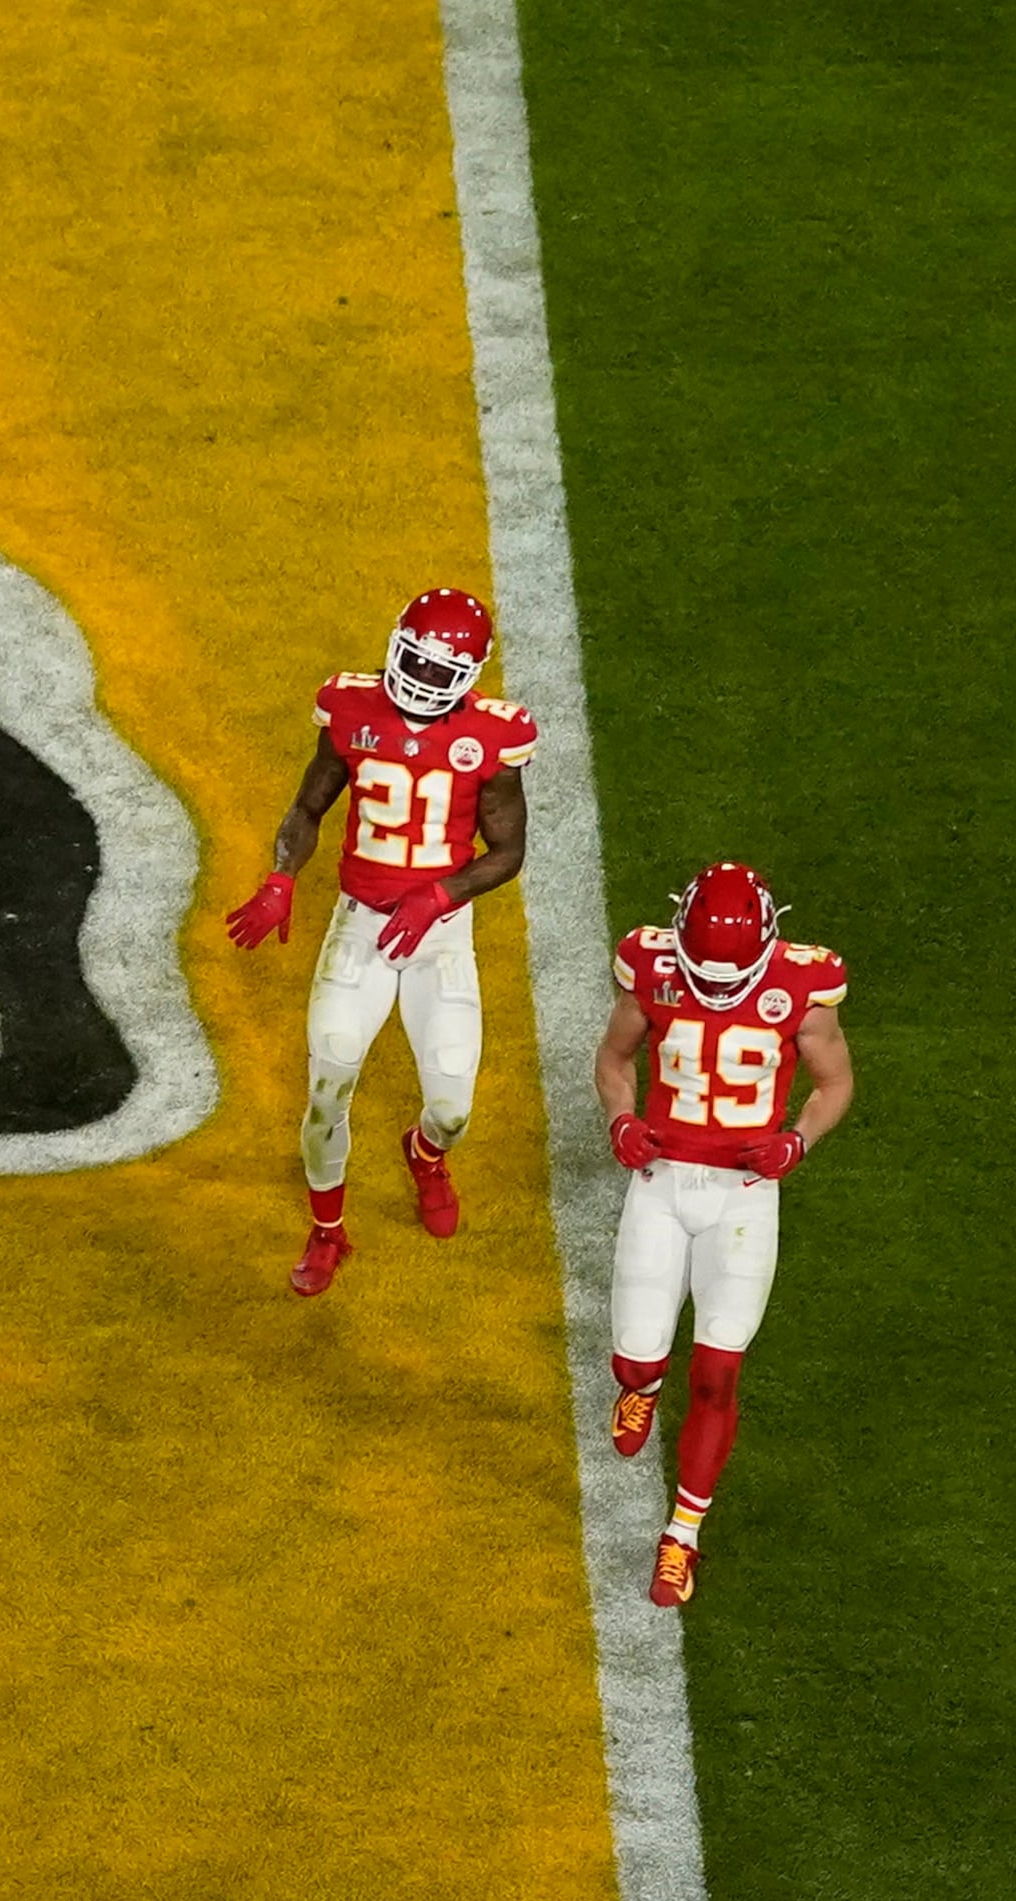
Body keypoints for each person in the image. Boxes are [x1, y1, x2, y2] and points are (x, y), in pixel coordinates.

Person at [222, 588, 537, 1295]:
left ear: (469, 677)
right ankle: (328, 1231)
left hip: (442, 934)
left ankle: (425, 1154)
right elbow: (309, 806)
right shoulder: (350, 708)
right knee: (327, 1088)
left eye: (438, 671)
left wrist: (438, 895)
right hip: (361, 923)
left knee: (453, 1109)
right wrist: (281, 878)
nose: (421, 681)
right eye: (414, 663)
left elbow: (507, 851)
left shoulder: (491, 736)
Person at [595, 862, 853, 1608]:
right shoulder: (651, 967)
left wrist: (797, 1141)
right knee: (633, 1361)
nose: (714, 987)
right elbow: (614, 1058)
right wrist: (621, 1118)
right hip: (662, 1182)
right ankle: (640, 1385)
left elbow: (835, 1081)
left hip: (743, 1194)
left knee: (718, 1371)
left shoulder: (802, 987)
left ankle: (682, 1536)